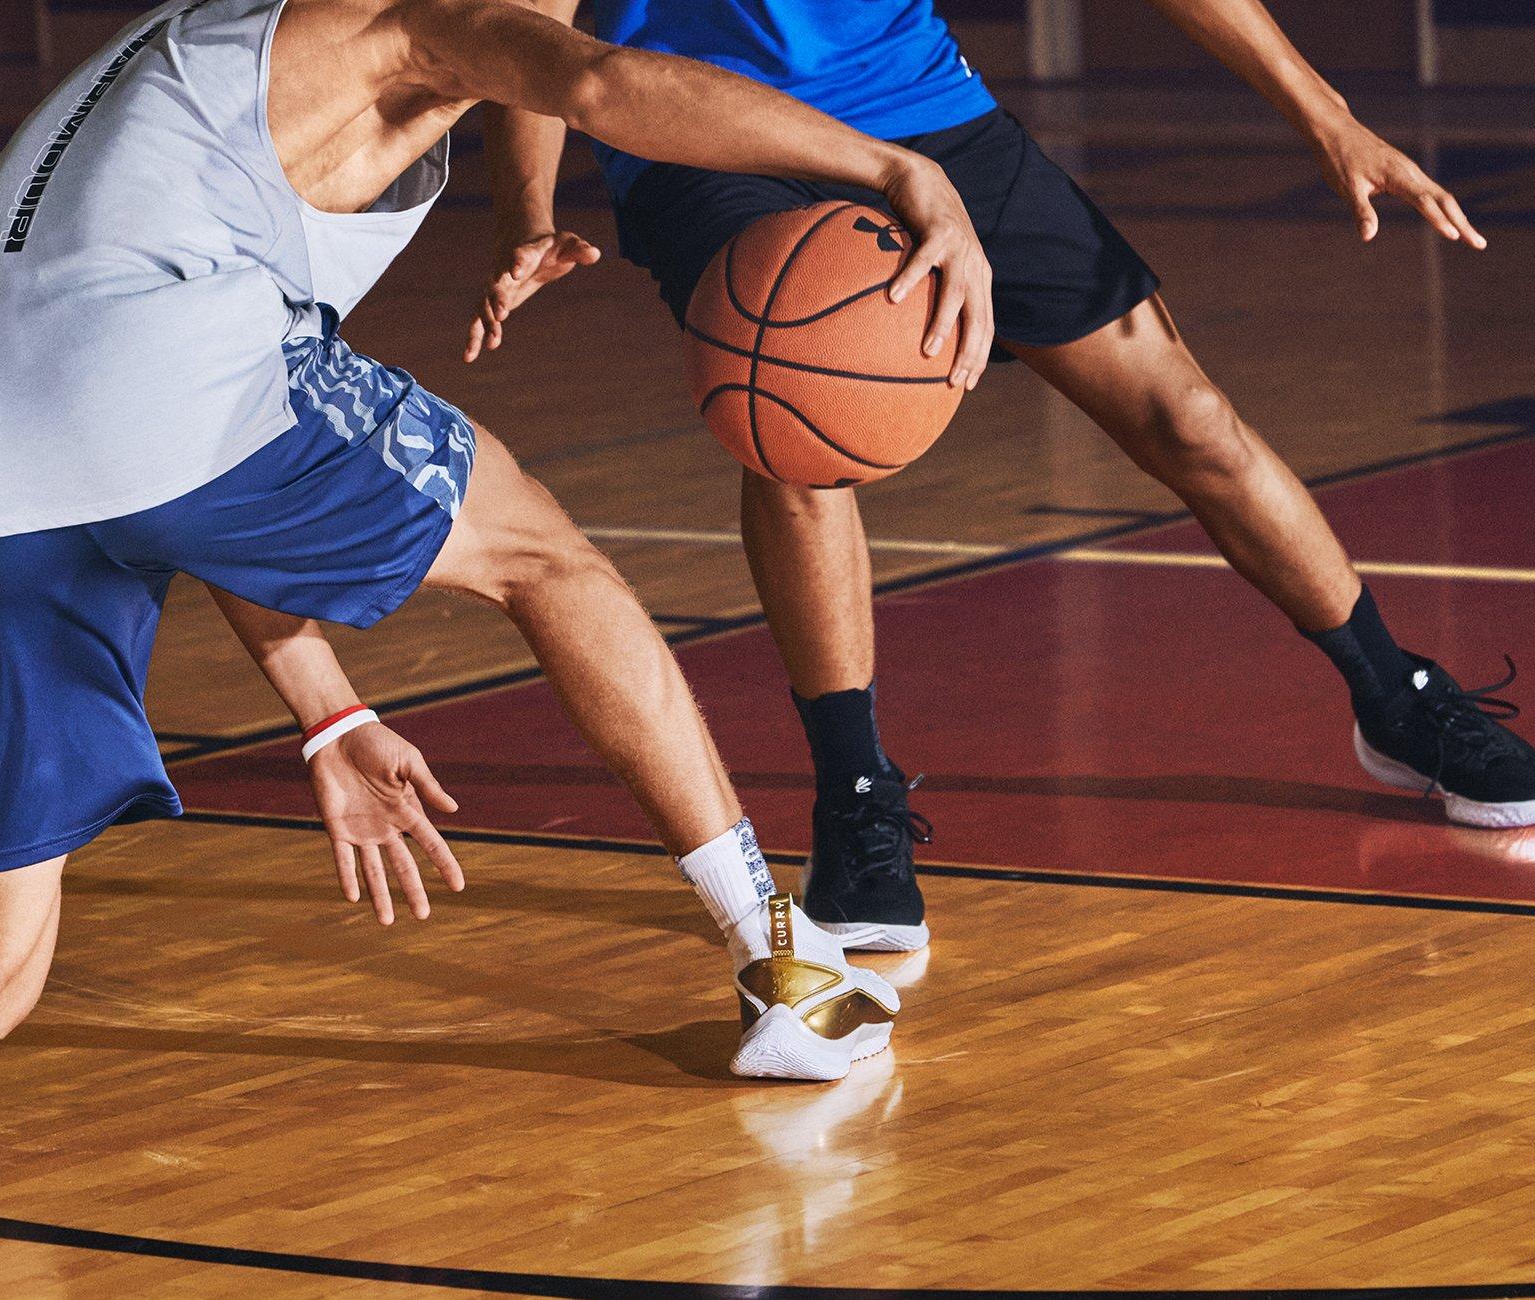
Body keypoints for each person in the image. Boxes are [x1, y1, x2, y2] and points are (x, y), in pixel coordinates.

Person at [0, 0, 1016, 1251]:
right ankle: (777, 958)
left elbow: (186, 451)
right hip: (142, 373)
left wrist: (325, 709)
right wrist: (894, 170)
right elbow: (588, 83)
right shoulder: (403, 21)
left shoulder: (192, 65)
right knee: (553, 565)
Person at [469, 0, 1533, 954]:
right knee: (798, 434)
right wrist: (526, 210)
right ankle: (854, 795)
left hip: (917, 106)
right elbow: (530, 23)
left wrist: (1321, 108)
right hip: (705, 133)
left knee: (1186, 415)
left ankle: (1394, 699)